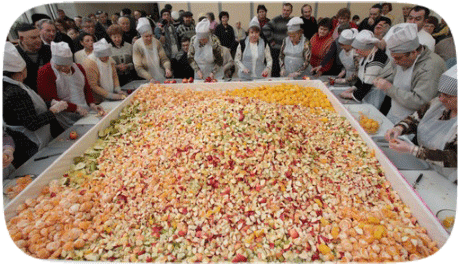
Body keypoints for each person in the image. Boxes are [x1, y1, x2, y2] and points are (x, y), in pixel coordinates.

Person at [386, 65, 457, 182]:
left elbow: (453, 157)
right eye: (440, 94)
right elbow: (415, 119)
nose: (441, 99)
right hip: (424, 165)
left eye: (447, 96)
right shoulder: (438, 104)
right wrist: (399, 128)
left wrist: (412, 150)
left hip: (448, 177)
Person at [3, 42, 67, 168]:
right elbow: (32, 124)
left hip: (34, 137)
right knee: (42, 166)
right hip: (30, 141)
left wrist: (49, 104)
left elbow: (31, 107)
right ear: (20, 72)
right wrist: (53, 111)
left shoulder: (15, 84)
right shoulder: (14, 92)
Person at [373, 23, 446, 124]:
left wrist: (388, 88)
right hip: (396, 112)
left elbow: (420, 102)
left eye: (398, 58)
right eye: (393, 57)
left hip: (415, 122)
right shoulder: (404, 58)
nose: (395, 62)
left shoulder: (431, 66)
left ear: (414, 53)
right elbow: (397, 77)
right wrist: (383, 80)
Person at [37, 41, 104, 129]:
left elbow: (86, 87)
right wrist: (75, 108)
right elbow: (50, 100)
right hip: (63, 117)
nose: (64, 69)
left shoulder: (78, 67)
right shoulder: (45, 72)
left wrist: (91, 103)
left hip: (85, 111)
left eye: (66, 65)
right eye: (59, 66)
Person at [339, 30, 392, 110]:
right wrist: (352, 88)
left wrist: (349, 95)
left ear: (365, 48)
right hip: (369, 88)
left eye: (357, 49)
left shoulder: (376, 60)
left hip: (378, 91)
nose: (356, 52)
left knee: (371, 111)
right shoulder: (367, 56)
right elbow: (362, 77)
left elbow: (366, 86)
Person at [83, 39, 126, 104]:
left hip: (110, 91)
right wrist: (110, 95)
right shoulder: (90, 63)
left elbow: (114, 76)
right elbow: (93, 85)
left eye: (108, 55)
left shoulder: (109, 59)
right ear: (98, 55)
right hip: (97, 99)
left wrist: (118, 89)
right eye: (105, 56)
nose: (107, 58)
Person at [14, 23, 52, 93]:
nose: (39, 40)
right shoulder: (14, 54)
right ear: (22, 39)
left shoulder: (48, 50)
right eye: (33, 38)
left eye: (39, 37)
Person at [133, 17, 173, 83]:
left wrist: (167, 68)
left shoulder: (156, 42)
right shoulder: (137, 45)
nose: (149, 38)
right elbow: (138, 67)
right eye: (146, 36)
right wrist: (150, 78)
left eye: (150, 36)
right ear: (141, 35)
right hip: (145, 79)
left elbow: (164, 59)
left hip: (160, 75)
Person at [262, 3, 293, 77]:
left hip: (286, 50)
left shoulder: (292, 21)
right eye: (284, 10)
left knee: (285, 71)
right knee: (275, 71)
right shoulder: (276, 19)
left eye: (288, 10)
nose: (285, 12)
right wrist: (271, 40)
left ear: (291, 11)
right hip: (276, 50)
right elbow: (265, 28)